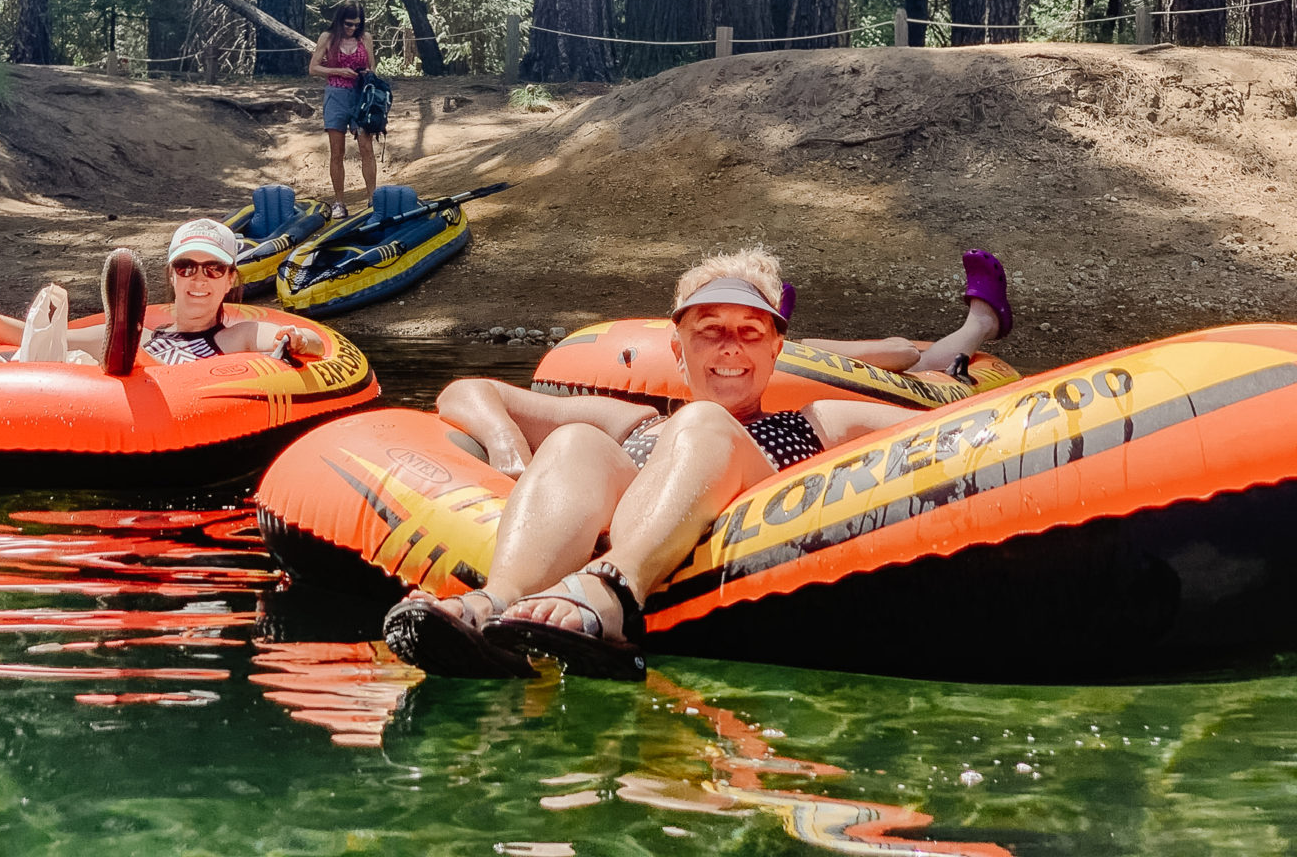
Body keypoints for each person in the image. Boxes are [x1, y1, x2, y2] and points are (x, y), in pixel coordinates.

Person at [381, 247, 1012, 681]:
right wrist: (504, 442)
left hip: (752, 555)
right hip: (619, 528)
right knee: (575, 439)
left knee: (704, 425)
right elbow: (469, 391)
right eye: (709, 329)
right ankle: (500, 605)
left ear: (776, 353)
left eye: (751, 330)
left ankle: (612, 590)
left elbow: (970, 435)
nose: (731, 347)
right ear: (678, 352)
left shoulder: (824, 422)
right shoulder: (634, 423)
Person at [0, 219, 326, 381]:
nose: (198, 280)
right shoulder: (150, 324)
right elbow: (55, 338)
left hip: (159, 387)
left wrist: (296, 337)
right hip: (101, 373)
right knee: (42, 351)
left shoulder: (235, 334)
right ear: (171, 276)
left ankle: (126, 359)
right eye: (186, 268)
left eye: (212, 269)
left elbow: (300, 340)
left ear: (230, 280)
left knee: (97, 358)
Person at [308, 2, 376, 219]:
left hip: (360, 95)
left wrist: (367, 74)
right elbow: (313, 68)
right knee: (337, 152)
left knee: (366, 147)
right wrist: (338, 70)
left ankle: (373, 198)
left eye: (356, 25)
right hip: (336, 94)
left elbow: (373, 67)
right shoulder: (327, 38)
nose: (352, 29)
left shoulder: (365, 38)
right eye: (348, 24)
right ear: (340, 20)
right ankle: (339, 202)